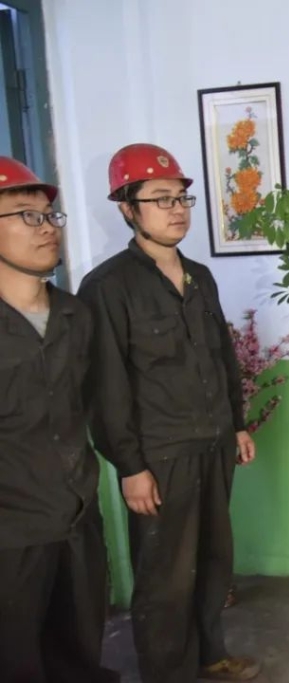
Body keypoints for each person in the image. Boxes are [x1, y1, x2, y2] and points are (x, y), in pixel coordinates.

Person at [77, 143, 259, 682]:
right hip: (160, 456)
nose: (177, 209)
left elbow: (222, 357)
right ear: (127, 209)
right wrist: (130, 466)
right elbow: (105, 385)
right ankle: (168, 673)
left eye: (181, 198)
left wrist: (238, 424)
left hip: (213, 442)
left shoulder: (200, 276)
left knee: (213, 560)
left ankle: (209, 655)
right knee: (166, 576)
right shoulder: (107, 287)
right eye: (161, 199)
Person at [0, 157, 119, 683]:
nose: (47, 227)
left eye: (50, 215)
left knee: (79, 652)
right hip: (11, 535)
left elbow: (98, 405)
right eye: (27, 215)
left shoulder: (76, 316)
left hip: (76, 521)